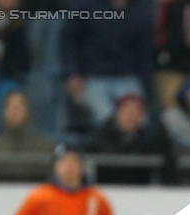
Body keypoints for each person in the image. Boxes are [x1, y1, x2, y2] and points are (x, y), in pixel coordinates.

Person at [60, 0, 154, 131]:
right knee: (106, 117)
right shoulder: (85, 6)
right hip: (92, 77)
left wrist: (147, 89)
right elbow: (69, 41)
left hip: (127, 76)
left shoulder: (142, 11)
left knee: (140, 119)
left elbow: (145, 54)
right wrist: (72, 73)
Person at [7, 145, 117, 215]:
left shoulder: (96, 199)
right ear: (55, 166)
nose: (68, 167)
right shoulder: (39, 197)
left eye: (73, 162)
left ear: (82, 166)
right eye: (63, 162)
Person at [85, 94, 171, 184]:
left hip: (140, 193)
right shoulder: (99, 139)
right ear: (117, 113)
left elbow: (164, 162)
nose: (130, 115)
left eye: (136, 111)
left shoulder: (150, 141)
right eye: (126, 110)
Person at [0, 90, 54, 181]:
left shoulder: (45, 147)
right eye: (10, 106)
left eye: (19, 106)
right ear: (2, 112)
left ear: (28, 110)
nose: (15, 110)